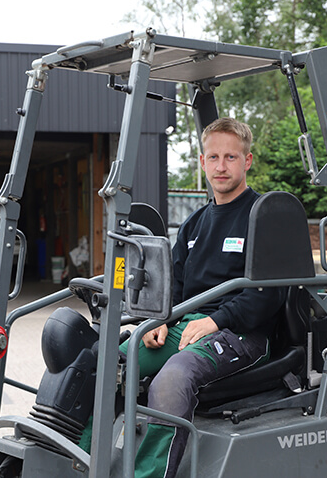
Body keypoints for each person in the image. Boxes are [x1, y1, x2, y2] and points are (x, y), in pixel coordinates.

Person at [120, 117, 287, 477]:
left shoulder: (264, 217)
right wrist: (159, 320)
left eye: (230, 157)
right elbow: (175, 287)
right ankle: (79, 459)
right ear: (202, 162)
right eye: (213, 157)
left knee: (172, 379)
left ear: (247, 161)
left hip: (242, 335)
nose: (221, 166)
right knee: (109, 361)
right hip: (189, 328)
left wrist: (215, 320)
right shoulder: (194, 224)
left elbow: (265, 298)